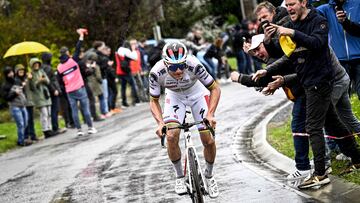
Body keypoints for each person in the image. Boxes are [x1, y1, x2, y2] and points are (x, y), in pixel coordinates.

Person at [254, 0, 360, 189]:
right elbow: (291, 56)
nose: (289, 8)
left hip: (321, 82)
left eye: (293, 4)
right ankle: (358, 158)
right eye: (287, 5)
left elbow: (318, 43)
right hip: (309, 81)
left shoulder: (317, 20)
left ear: (304, 2)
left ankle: (320, 173)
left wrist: (292, 33)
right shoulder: (295, 25)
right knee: (335, 125)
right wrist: (267, 70)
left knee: (312, 127)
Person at [149, 41, 221, 198]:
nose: (179, 70)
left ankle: (209, 176)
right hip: (175, 98)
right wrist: (160, 123)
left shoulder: (194, 64)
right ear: (165, 64)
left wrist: (210, 113)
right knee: (171, 135)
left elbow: (215, 88)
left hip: (198, 95)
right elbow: (154, 100)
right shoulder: (156, 72)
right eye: (174, 67)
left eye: (181, 65)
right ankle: (180, 176)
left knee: (208, 139)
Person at [57, 29, 97, 136]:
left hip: (69, 91)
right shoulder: (73, 60)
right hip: (80, 87)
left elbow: (59, 81)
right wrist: (81, 35)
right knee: (85, 108)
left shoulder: (59, 67)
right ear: (67, 53)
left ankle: (79, 130)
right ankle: (90, 127)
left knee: (74, 111)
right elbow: (78, 47)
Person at [1, 66, 29, 146]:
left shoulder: (17, 81)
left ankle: (23, 139)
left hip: (23, 105)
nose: (11, 74)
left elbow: (22, 90)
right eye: (9, 73)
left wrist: (23, 83)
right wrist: (14, 93)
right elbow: (6, 98)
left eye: (12, 72)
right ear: (6, 75)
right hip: (15, 107)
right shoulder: (5, 85)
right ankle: (21, 141)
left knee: (25, 123)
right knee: (21, 124)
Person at [41, 52, 67, 135]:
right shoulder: (47, 68)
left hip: (49, 91)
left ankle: (54, 127)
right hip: (53, 91)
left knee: (52, 110)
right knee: (54, 110)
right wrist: (54, 90)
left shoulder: (43, 67)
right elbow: (50, 81)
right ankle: (55, 127)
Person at [29, 58, 54, 138]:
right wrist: (38, 81)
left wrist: (44, 80)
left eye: (37, 63)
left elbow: (48, 81)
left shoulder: (42, 71)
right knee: (44, 114)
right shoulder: (30, 74)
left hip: (46, 95)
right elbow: (32, 87)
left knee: (49, 113)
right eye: (34, 64)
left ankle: (49, 129)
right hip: (38, 96)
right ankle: (45, 130)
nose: (36, 65)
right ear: (32, 65)